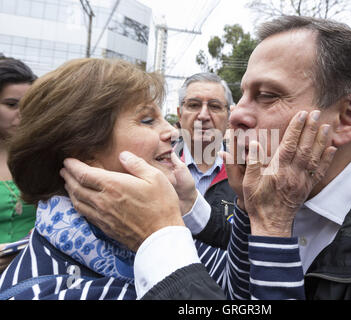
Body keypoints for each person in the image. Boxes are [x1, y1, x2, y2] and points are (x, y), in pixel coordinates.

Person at [60, 15, 351, 300]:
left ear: (349, 117)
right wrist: (237, 212)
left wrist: (161, 243)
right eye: (243, 94)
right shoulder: (287, 188)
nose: (238, 114)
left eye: (268, 96)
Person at [0, 58, 249, 300]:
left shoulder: (155, 233)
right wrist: (160, 236)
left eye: (215, 106)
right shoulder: (47, 291)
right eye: (147, 120)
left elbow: (241, 287)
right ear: (84, 152)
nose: (173, 133)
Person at [175, 73, 236, 248]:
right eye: (193, 105)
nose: (203, 115)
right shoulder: (158, 168)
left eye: (215, 106)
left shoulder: (245, 173)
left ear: (229, 117)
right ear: (180, 114)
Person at [0, 57, 37, 250]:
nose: (21, 113)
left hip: (30, 273)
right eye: (11, 104)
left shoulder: (42, 157)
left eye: (27, 105)